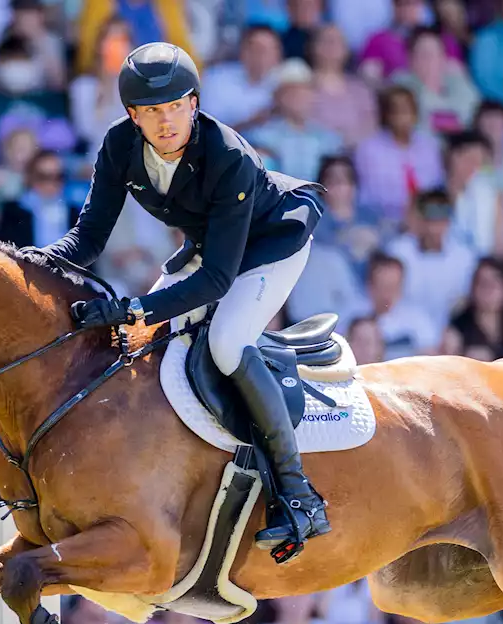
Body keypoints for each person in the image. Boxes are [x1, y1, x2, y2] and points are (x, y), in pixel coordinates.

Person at [35, 42, 330, 556]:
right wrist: (30, 265)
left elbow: (217, 281)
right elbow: (87, 239)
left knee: (226, 343)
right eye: (152, 111)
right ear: (133, 115)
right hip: (211, 246)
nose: (166, 121)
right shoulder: (119, 145)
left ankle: (297, 492)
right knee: (137, 348)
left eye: (176, 106)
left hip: (270, 246)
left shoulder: (229, 156)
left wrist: (134, 310)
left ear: (194, 103)